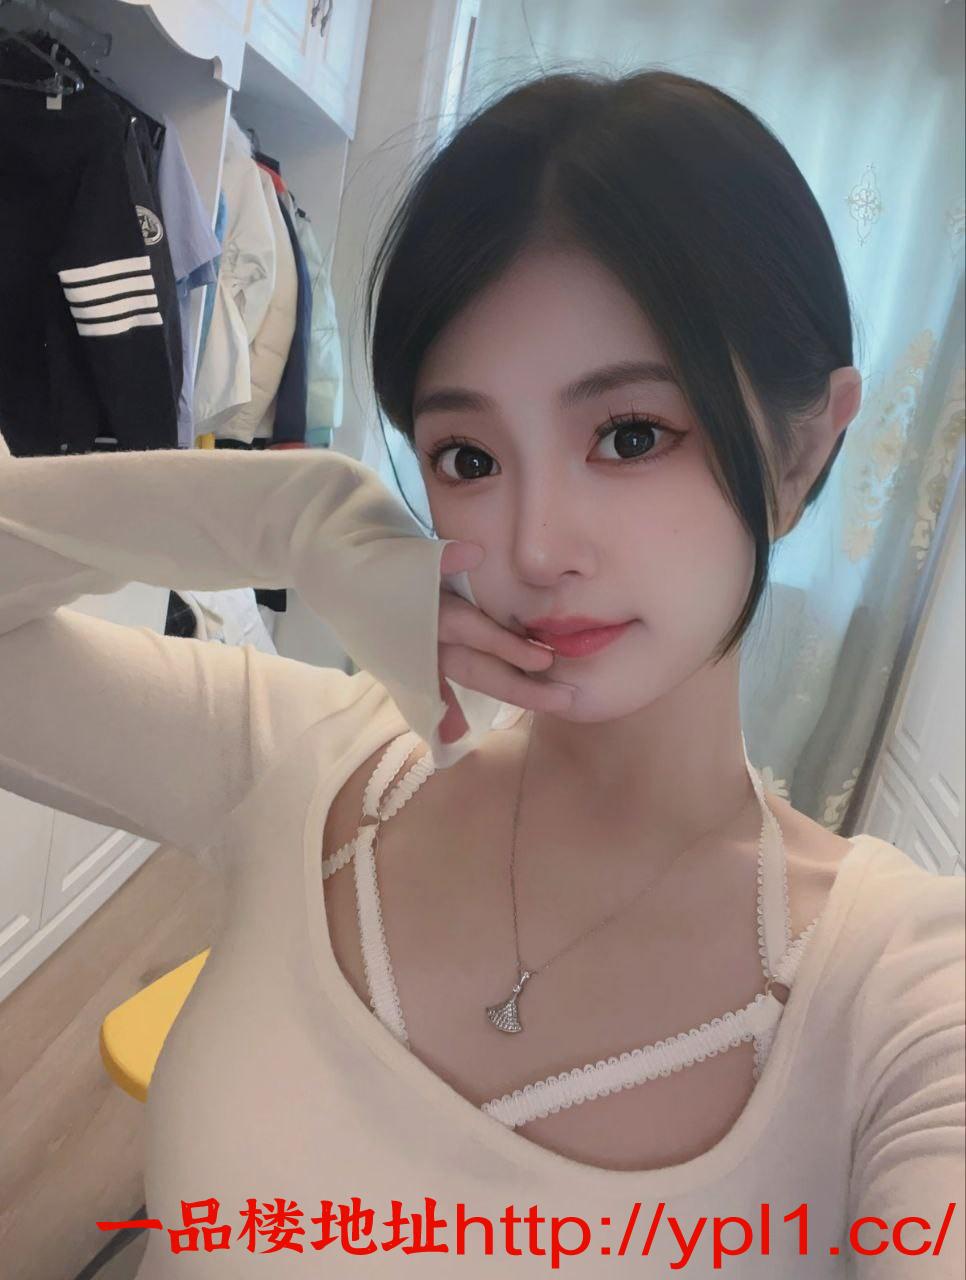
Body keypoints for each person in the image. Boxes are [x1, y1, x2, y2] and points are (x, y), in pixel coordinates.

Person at [1, 69, 962, 1279]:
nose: (534, 546)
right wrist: (293, 516)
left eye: (629, 435)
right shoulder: (303, 765)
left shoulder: (901, 999)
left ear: (803, 447)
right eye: (467, 455)